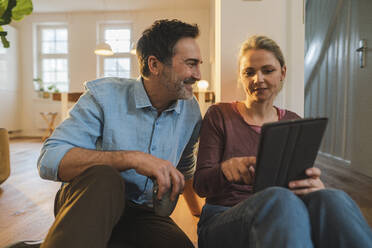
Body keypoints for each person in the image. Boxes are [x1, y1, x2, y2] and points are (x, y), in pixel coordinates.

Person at [13, 19, 203, 248]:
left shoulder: (190, 111)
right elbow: (49, 160)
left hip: (142, 214)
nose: (199, 74)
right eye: (191, 64)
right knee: (106, 177)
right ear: (154, 64)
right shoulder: (104, 96)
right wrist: (131, 158)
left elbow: (184, 170)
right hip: (89, 198)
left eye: (199, 64)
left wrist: (197, 213)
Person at [193, 35, 372, 248]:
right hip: (224, 217)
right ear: (241, 77)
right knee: (278, 198)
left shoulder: (293, 122)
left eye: (267, 70)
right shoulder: (219, 114)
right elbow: (200, 185)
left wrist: (313, 185)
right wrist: (224, 169)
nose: (257, 79)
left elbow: (298, 181)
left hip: (286, 213)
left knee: (333, 198)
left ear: (282, 73)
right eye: (249, 72)